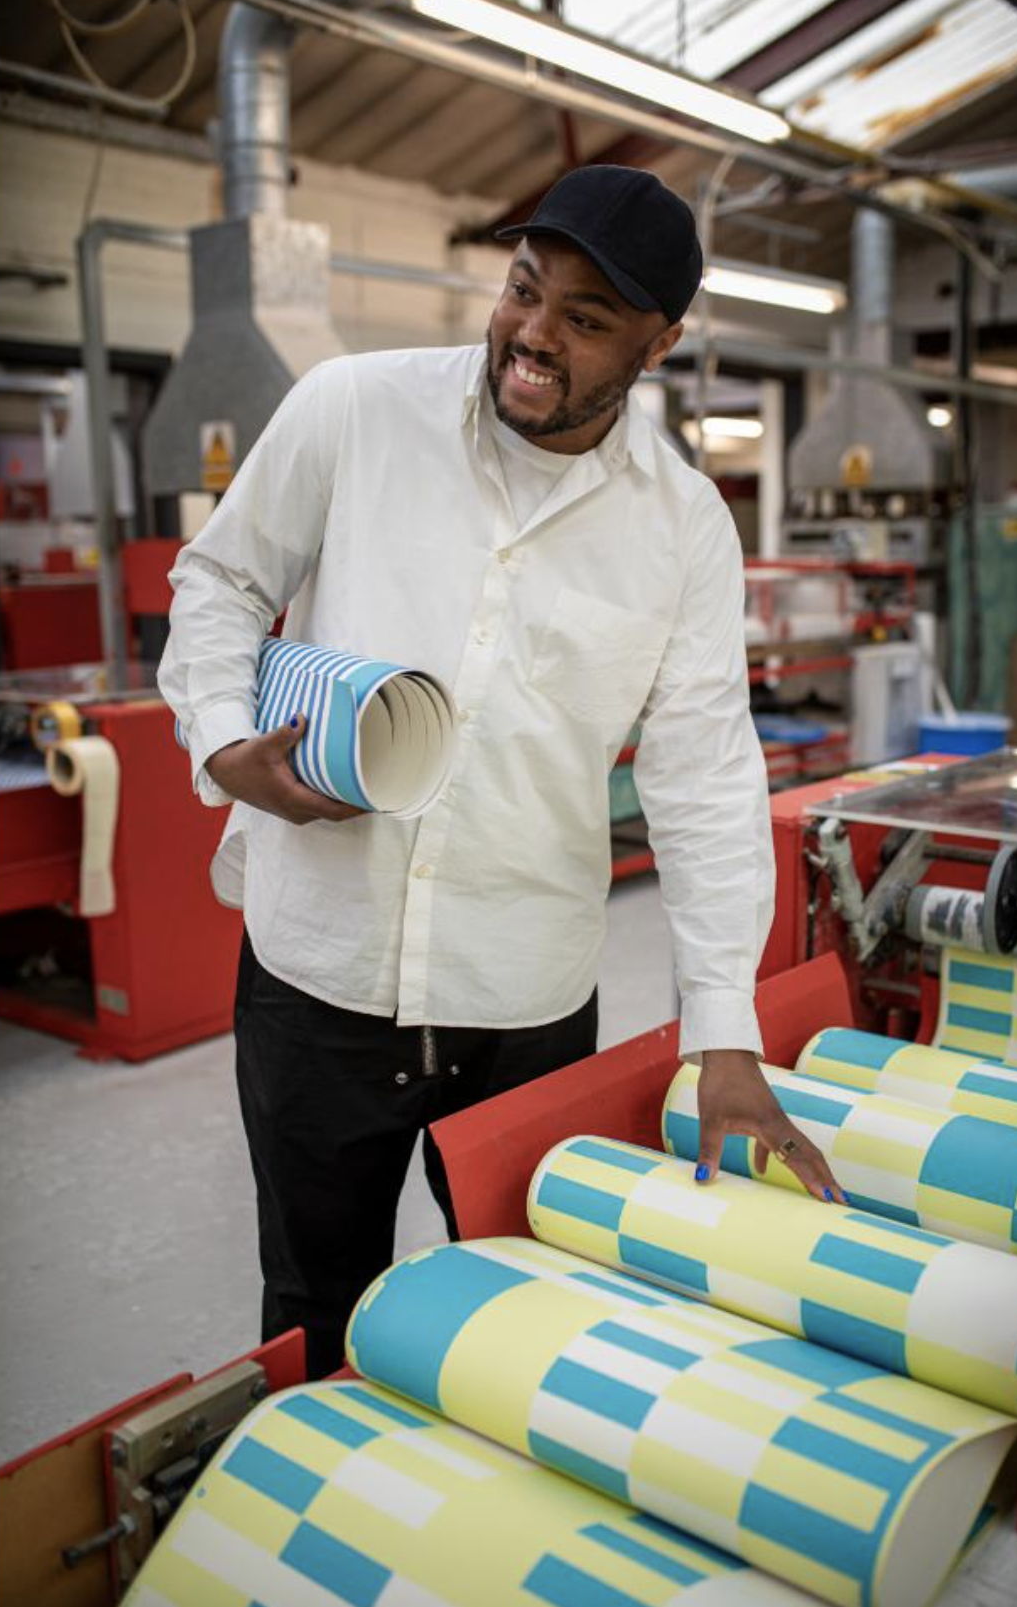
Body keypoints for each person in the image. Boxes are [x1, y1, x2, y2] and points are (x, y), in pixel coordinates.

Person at [156, 164, 846, 1381]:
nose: (532, 336)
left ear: (659, 341)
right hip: (317, 970)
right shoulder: (351, 410)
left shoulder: (681, 526)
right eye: (524, 291)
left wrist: (722, 1029)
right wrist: (222, 744)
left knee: (523, 1322)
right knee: (313, 1310)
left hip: (523, 998)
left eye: (584, 321)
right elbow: (219, 580)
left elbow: (699, 775)